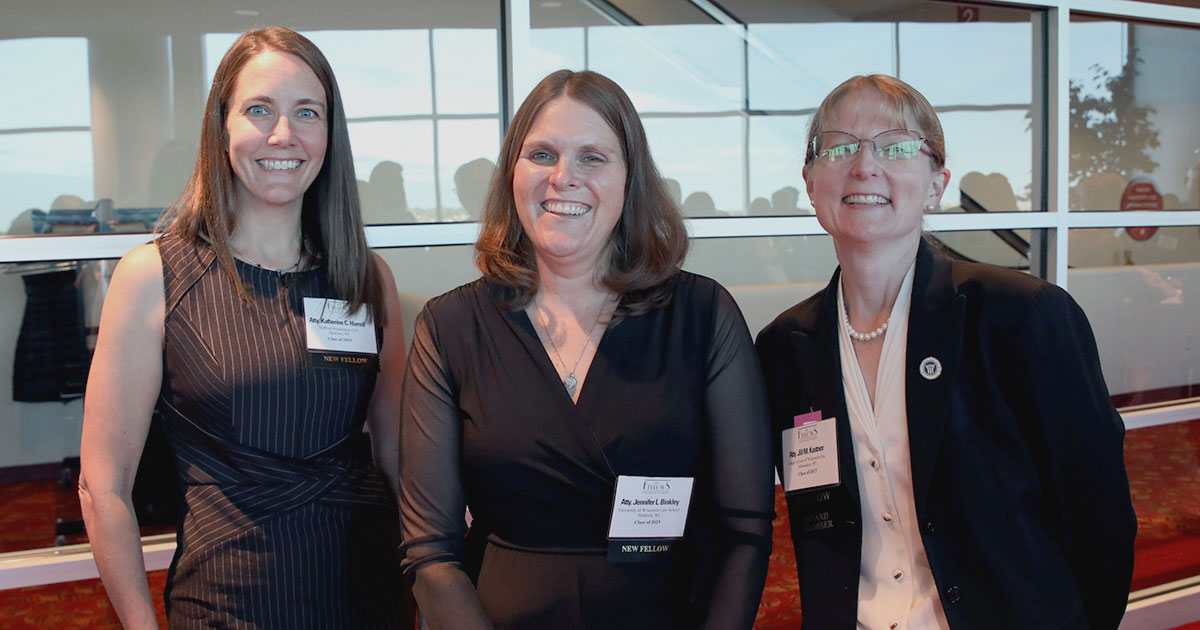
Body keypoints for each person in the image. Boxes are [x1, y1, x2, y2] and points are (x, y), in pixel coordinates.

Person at [756, 75, 1136, 630]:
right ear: (811, 184)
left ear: (936, 184)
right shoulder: (783, 348)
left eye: (896, 147)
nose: (864, 166)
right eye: (838, 147)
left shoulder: (1019, 316)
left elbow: (1098, 515)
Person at [398, 69, 773, 629]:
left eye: (592, 158)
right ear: (513, 173)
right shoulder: (450, 327)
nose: (563, 178)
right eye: (541, 155)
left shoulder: (702, 316)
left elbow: (744, 531)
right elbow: (429, 550)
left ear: (630, 179)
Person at [79, 27, 410, 629]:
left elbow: (397, 455)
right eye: (259, 109)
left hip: (368, 593)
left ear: (329, 133)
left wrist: (433, 587)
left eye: (306, 112)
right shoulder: (153, 276)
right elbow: (103, 485)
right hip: (229, 603)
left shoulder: (365, 277)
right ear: (221, 126)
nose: (284, 134)